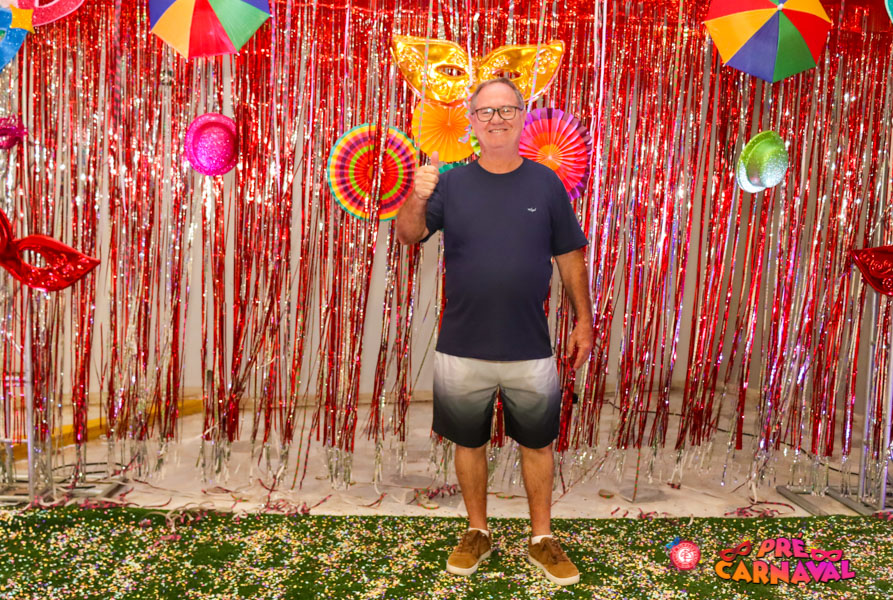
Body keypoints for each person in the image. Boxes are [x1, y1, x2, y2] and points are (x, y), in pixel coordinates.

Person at [395, 77, 593, 587]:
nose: (497, 119)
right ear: (472, 121)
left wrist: (584, 320)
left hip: (530, 344)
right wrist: (417, 195)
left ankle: (541, 537)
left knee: (538, 443)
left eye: (507, 110)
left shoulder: (546, 183)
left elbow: (569, 254)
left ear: (522, 116)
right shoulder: (451, 183)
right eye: (486, 111)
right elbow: (409, 234)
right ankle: (477, 532)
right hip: (463, 344)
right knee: (468, 441)